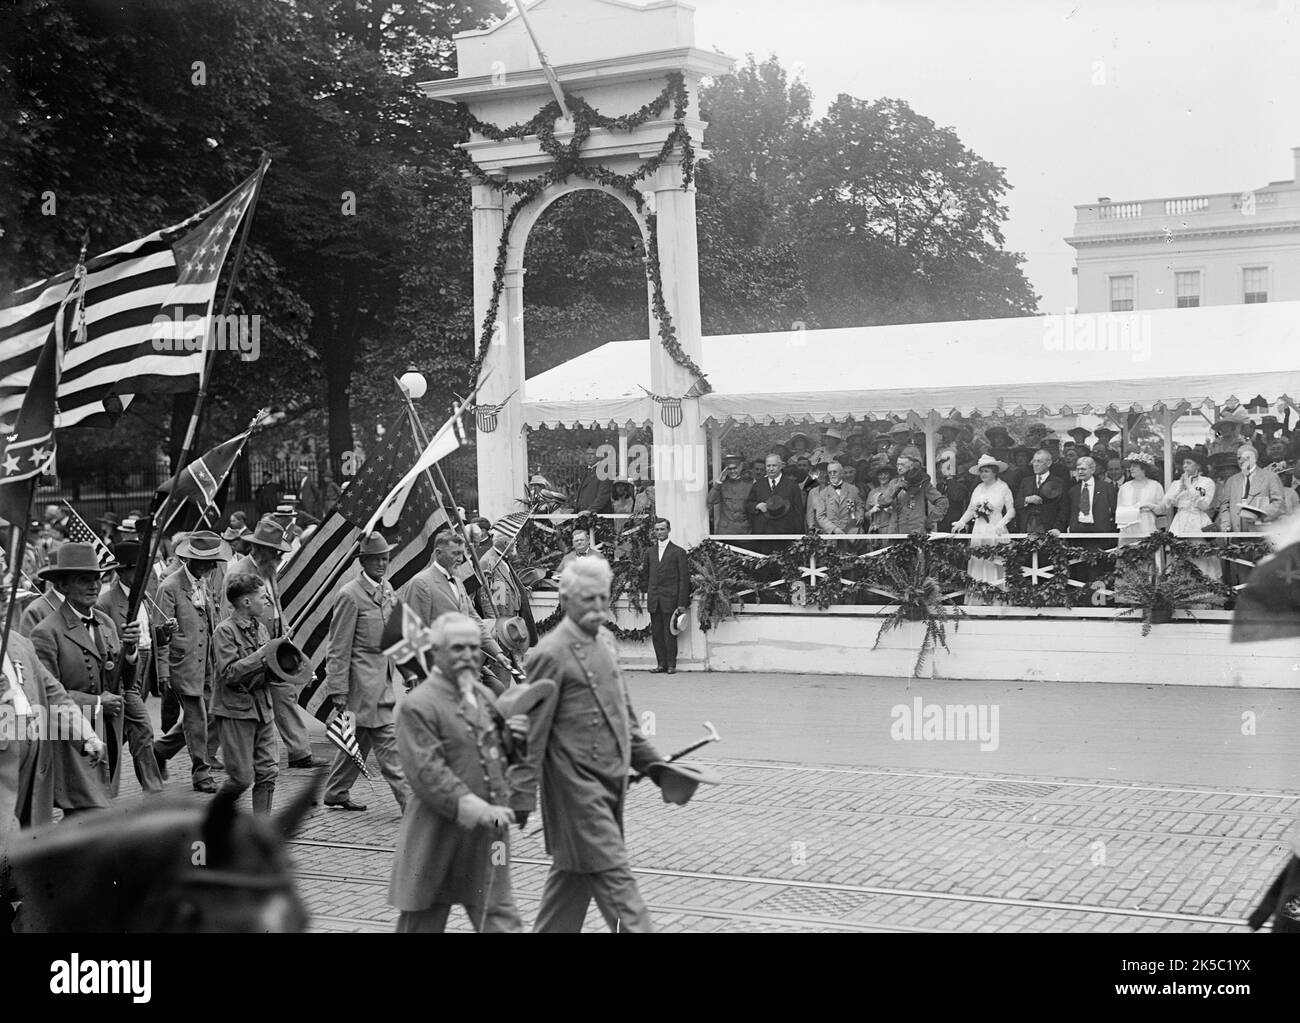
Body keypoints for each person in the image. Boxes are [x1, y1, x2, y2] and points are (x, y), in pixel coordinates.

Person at [513, 556, 667, 932]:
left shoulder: (607, 641)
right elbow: (531, 732)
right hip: (574, 793)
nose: (599, 607)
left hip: (609, 785)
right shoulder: (549, 653)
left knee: (571, 886)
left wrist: (658, 767)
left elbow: (624, 717)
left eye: (604, 598)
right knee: (619, 886)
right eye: (589, 600)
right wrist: (519, 796)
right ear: (565, 600)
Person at [388, 613, 527, 933]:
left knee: (502, 920)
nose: (468, 655)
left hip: (489, 840)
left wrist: (516, 742)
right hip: (437, 838)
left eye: (473, 648)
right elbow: (428, 774)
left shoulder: (484, 697)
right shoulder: (419, 706)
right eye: (458, 648)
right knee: (422, 922)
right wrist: (477, 808)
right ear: (436, 654)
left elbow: (500, 757)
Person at [30, 543, 140, 815]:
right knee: (83, 810)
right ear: (63, 587)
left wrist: (131, 651)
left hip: (108, 733)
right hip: (74, 736)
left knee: (99, 808)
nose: (93, 586)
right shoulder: (47, 632)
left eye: (97, 579)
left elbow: (122, 681)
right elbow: (45, 696)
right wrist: (96, 702)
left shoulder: (106, 623)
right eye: (83, 580)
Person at [223, 517, 326, 770]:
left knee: (284, 694)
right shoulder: (239, 572)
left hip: (275, 644)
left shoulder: (269, 571)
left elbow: (276, 604)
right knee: (238, 702)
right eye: (275, 551)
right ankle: (194, 746)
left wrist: (285, 625)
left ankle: (300, 752)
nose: (279, 556)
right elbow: (229, 612)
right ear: (261, 549)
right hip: (251, 647)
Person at [322, 531, 410, 813]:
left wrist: (410, 671)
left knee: (358, 737)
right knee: (388, 744)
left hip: (381, 680)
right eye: (376, 560)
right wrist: (337, 689)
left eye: (385, 559)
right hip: (362, 685)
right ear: (364, 561)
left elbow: (395, 635)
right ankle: (413, 806)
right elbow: (337, 646)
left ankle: (336, 791)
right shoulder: (350, 595)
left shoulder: (387, 590)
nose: (382, 564)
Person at [153, 531, 230, 793]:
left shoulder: (204, 582)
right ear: (193, 560)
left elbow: (210, 623)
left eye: (214, 561)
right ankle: (201, 772)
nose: (213, 566)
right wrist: (163, 672)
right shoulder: (169, 587)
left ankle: (159, 750)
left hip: (206, 663)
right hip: (182, 663)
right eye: (208, 561)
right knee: (196, 717)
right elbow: (159, 634)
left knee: (206, 714)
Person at [399, 529, 513, 694]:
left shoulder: (458, 582)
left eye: (462, 553)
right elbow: (414, 634)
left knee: (497, 689)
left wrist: (498, 653)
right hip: (439, 668)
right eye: (456, 553)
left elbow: (476, 622)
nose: (461, 559)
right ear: (438, 553)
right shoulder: (421, 583)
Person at [93, 541, 165, 796]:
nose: (143, 574)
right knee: (143, 727)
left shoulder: (142, 594)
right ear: (122, 571)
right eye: (137, 569)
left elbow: (147, 632)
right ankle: (153, 790)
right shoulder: (106, 602)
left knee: (123, 729)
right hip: (122, 674)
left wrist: (163, 634)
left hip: (143, 663)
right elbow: (107, 645)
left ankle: (98, 775)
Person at [210, 574, 282, 815]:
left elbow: (266, 669)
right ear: (246, 602)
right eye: (263, 597)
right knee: (241, 777)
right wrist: (263, 654)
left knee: (268, 772)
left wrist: (284, 665)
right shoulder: (225, 631)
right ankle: (214, 819)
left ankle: (261, 832)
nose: (267, 602)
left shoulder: (261, 628)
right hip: (235, 711)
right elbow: (229, 673)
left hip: (262, 708)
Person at [951, 455, 1016, 603]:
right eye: (981, 471)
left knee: (996, 564)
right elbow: (970, 510)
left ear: (994, 472)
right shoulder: (978, 488)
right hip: (979, 530)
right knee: (980, 564)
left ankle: (998, 603)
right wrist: (961, 522)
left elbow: (1011, 510)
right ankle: (979, 602)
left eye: (986, 471)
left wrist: (1002, 522)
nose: (983, 474)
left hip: (996, 530)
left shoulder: (1003, 487)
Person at [642, 517, 691, 674]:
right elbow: (645, 575)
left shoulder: (678, 552)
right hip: (654, 599)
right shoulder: (649, 552)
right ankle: (661, 664)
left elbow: (684, 579)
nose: (659, 532)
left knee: (670, 633)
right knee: (656, 633)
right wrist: (647, 592)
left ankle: (671, 665)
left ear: (668, 530)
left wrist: (682, 603)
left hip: (671, 599)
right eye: (656, 529)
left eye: (662, 529)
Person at [869, 446, 947, 536]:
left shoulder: (923, 484)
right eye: (898, 465)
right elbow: (883, 503)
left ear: (911, 466)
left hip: (916, 532)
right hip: (895, 532)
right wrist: (896, 490)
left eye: (902, 465)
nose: (899, 468)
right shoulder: (894, 483)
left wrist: (930, 521)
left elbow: (942, 502)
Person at [746, 453, 805, 536]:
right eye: (768, 466)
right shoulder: (758, 485)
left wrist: (799, 536)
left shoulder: (792, 485)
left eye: (774, 466)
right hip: (762, 533)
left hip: (785, 533)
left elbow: (798, 512)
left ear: (780, 466)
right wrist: (757, 506)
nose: (771, 469)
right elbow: (748, 504)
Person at [1015, 449, 1068, 535]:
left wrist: (1058, 528)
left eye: (1039, 461)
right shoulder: (1025, 481)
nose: (1035, 464)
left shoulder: (1059, 482)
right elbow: (1017, 503)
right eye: (1034, 461)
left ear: (1048, 463)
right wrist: (1027, 499)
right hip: (1027, 526)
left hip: (1049, 528)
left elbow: (1064, 509)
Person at [809, 461, 863, 535]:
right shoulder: (823, 493)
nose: (832, 475)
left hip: (850, 532)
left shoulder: (853, 489)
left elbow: (859, 506)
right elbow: (820, 516)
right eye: (830, 472)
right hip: (832, 534)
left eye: (835, 472)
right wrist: (834, 529)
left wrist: (859, 516)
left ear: (841, 473)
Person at [707, 453, 751, 535]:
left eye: (735, 468)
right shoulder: (722, 485)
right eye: (729, 469)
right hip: (725, 531)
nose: (732, 471)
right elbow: (710, 501)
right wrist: (719, 482)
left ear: (741, 467)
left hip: (744, 531)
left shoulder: (749, 485)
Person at [934, 447, 970, 533]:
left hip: (956, 527)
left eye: (942, 467)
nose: (939, 470)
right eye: (939, 467)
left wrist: (950, 477)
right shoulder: (938, 486)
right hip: (940, 527)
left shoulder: (962, 485)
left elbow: (956, 496)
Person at [573, 445, 613, 513]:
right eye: (587, 454)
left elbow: (603, 496)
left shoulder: (605, 471)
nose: (589, 457)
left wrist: (589, 511)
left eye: (592, 454)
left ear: (600, 456)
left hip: (597, 516)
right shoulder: (586, 471)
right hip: (583, 516)